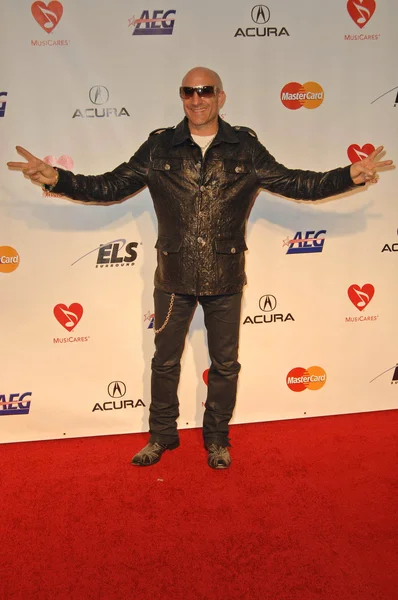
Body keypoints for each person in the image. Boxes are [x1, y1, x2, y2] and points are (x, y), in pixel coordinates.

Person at [7, 67, 393, 469]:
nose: (197, 99)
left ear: (220, 97)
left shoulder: (244, 148)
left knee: (225, 364)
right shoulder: (159, 148)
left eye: (205, 91)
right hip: (173, 276)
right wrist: (57, 179)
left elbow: (297, 184)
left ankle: (217, 440)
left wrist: (348, 176)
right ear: (182, 97)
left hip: (225, 276)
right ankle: (161, 437)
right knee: (164, 361)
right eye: (188, 92)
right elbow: (110, 187)